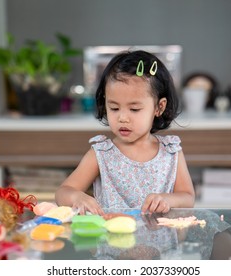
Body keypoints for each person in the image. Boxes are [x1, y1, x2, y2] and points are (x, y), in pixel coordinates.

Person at [55, 50, 195, 215]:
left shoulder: (171, 152)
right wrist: (77, 197)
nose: (122, 118)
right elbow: (62, 192)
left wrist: (167, 199)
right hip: (112, 239)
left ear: (159, 107)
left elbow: (188, 197)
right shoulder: (101, 153)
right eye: (114, 108)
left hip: (160, 239)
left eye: (134, 109)